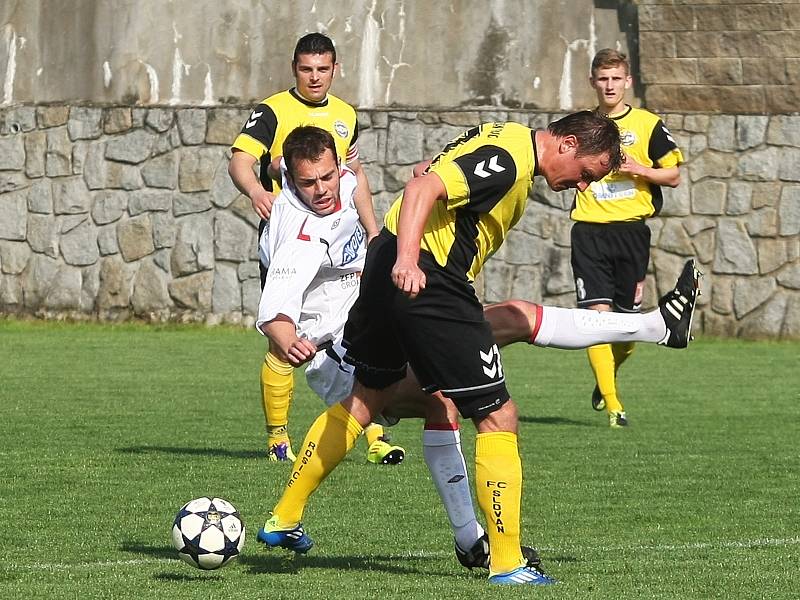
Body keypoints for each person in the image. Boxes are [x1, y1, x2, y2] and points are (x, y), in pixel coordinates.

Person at [255, 125, 700, 577]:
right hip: (428, 277)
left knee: (373, 395)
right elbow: (422, 185)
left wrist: (404, 247)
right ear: (567, 145)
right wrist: (410, 260)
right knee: (497, 416)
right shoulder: (508, 161)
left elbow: (433, 168)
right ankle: (506, 562)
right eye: (587, 172)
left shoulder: (501, 132)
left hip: (384, 263)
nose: (582, 185)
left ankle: (285, 517)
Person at [228, 32, 394, 463]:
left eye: (323, 69)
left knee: (356, 340)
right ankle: (277, 436)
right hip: (293, 240)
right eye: (306, 69)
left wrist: (373, 233)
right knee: (286, 342)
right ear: (294, 69)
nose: (315, 77)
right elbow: (240, 161)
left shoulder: (344, 115)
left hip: (337, 247)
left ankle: (372, 433)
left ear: (335, 69)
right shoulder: (272, 110)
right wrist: (255, 192)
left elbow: (354, 174)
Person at [570, 49, 684, 428]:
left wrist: (638, 168)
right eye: (603, 79)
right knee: (595, 321)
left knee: (629, 327)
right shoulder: (582, 126)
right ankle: (615, 406)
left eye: (616, 78)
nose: (609, 86)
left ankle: (606, 381)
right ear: (592, 82)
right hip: (589, 232)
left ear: (627, 81)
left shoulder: (649, 125)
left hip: (632, 233)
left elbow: (674, 175)